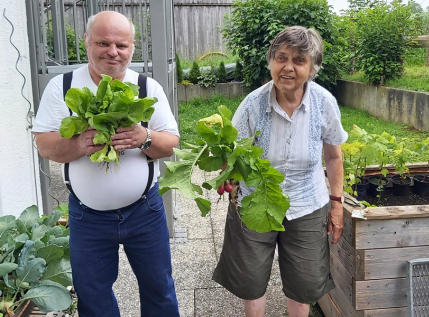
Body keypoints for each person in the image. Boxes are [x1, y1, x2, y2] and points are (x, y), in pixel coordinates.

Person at [32, 11, 180, 317]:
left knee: (159, 290)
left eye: (121, 45)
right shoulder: (62, 87)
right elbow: (44, 144)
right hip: (88, 218)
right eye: (103, 42)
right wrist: (78, 144)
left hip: (144, 211)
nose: (113, 51)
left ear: (132, 47)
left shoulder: (146, 87)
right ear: (87, 41)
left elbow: (171, 143)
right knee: (93, 296)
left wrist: (144, 137)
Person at [212, 26, 348, 317]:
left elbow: (334, 157)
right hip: (255, 201)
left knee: (304, 287)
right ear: (270, 61)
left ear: (312, 68)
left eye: (299, 60)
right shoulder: (252, 104)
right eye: (281, 57)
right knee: (251, 282)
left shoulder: (323, 103)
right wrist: (226, 163)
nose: (287, 67)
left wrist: (337, 205)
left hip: (306, 204)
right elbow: (233, 156)